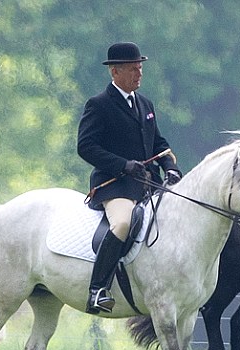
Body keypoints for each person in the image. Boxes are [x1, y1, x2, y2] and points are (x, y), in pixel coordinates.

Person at [77, 42, 182, 313]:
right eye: (133, 69)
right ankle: (97, 289)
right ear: (115, 72)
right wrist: (123, 165)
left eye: (140, 68)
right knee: (122, 224)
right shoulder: (98, 105)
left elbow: (159, 142)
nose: (139, 73)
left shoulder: (145, 104)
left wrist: (169, 165)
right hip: (115, 185)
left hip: (148, 185)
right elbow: (86, 147)